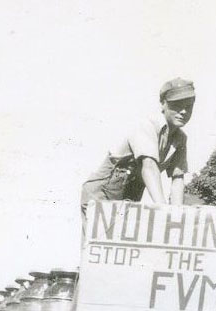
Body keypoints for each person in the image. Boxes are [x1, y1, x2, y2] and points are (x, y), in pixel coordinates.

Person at [80, 77, 195, 216]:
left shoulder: (180, 138)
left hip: (130, 196)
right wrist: (165, 212)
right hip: (102, 193)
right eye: (177, 105)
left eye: (188, 106)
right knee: (101, 237)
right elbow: (149, 167)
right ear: (163, 103)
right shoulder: (147, 125)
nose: (183, 111)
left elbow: (178, 178)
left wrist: (177, 215)